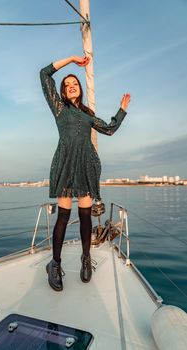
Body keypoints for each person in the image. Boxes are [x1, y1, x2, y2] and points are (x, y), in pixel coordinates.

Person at [40, 55, 130, 292]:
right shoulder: (58, 107)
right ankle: (55, 264)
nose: (71, 86)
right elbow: (44, 74)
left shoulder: (88, 115)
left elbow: (109, 130)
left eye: (75, 84)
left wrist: (121, 110)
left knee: (86, 216)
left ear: (79, 90)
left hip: (87, 166)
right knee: (62, 216)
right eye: (67, 84)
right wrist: (71, 60)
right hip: (66, 164)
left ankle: (85, 259)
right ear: (63, 90)